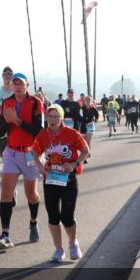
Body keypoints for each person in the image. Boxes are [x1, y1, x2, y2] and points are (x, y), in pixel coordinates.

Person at [32, 104, 91, 262]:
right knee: (53, 217)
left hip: (68, 180)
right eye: (49, 117)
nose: (52, 120)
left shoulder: (72, 134)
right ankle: (58, 249)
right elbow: (33, 153)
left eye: (55, 117)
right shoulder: (43, 135)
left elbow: (86, 151)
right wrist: (40, 168)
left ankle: (73, 242)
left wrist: (73, 164)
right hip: (50, 180)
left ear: (61, 118)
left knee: (67, 216)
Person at [0, 72, 44, 250]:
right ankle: (5, 234)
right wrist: (7, 121)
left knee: (31, 194)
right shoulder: (7, 103)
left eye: (21, 84)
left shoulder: (36, 102)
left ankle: (33, 221)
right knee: (6, 194)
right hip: (11, 153)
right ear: (11, 86)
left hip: (30, 154)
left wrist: (18, 121)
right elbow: (0, 132)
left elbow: (38, 131)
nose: (18, 87)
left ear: (27, 85)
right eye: (15, 84)